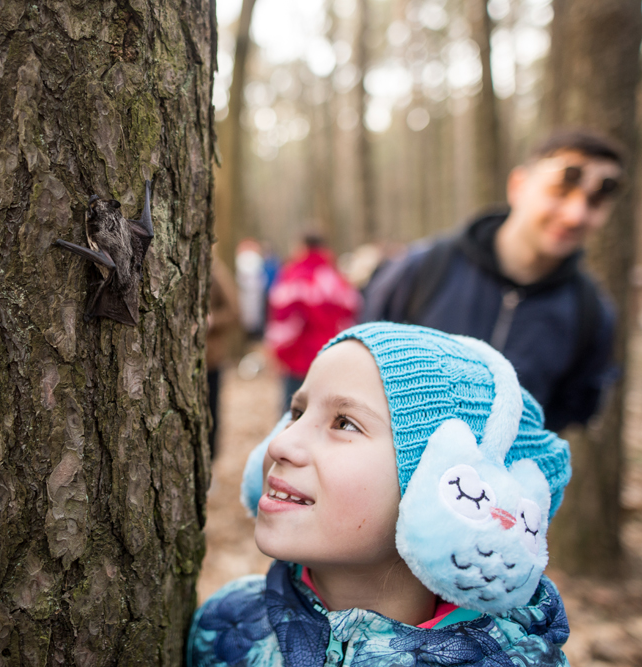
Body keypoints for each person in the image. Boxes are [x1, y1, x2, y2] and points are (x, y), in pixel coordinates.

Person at [191, 322, 571, 665]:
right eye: (296, 412)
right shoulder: (226, 625)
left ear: (440, 488)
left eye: (345, 423)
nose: (281, 443)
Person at [363, 129, 623, 432]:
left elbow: (569, 413)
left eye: (595, 202)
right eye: (560, 191)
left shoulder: (591, 313)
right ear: (518, 186)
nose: (575, 215)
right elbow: (359, 369)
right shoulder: (420, 270)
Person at [264, 234, 360, 412]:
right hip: (331, 359)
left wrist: (277, 353)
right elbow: (350, 317)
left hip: (298, 360)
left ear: (302, 247)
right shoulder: (337, 278)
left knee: (292, 415)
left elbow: (284, 322)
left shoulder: (295, 277)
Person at [206, 256, 240, 459]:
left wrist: (211, 321)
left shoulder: (216, 270)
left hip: (210, 359)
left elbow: (234, 311)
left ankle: (211, 460)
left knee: (210, 411)